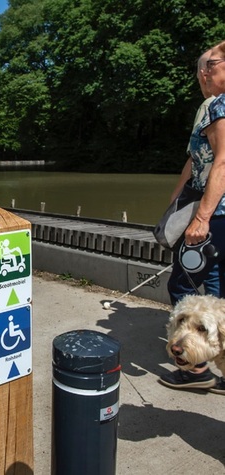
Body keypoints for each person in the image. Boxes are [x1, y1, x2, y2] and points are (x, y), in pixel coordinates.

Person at [159, 44, 225, 394]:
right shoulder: (211, 107)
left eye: (209, 66)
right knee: (220, 288)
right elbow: (195, 161)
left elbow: (222, 162)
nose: (203, 74)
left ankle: (195, 366)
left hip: (215, 214)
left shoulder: (219, 105)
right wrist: (175, 205)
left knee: (185, 285)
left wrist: (200, 218)